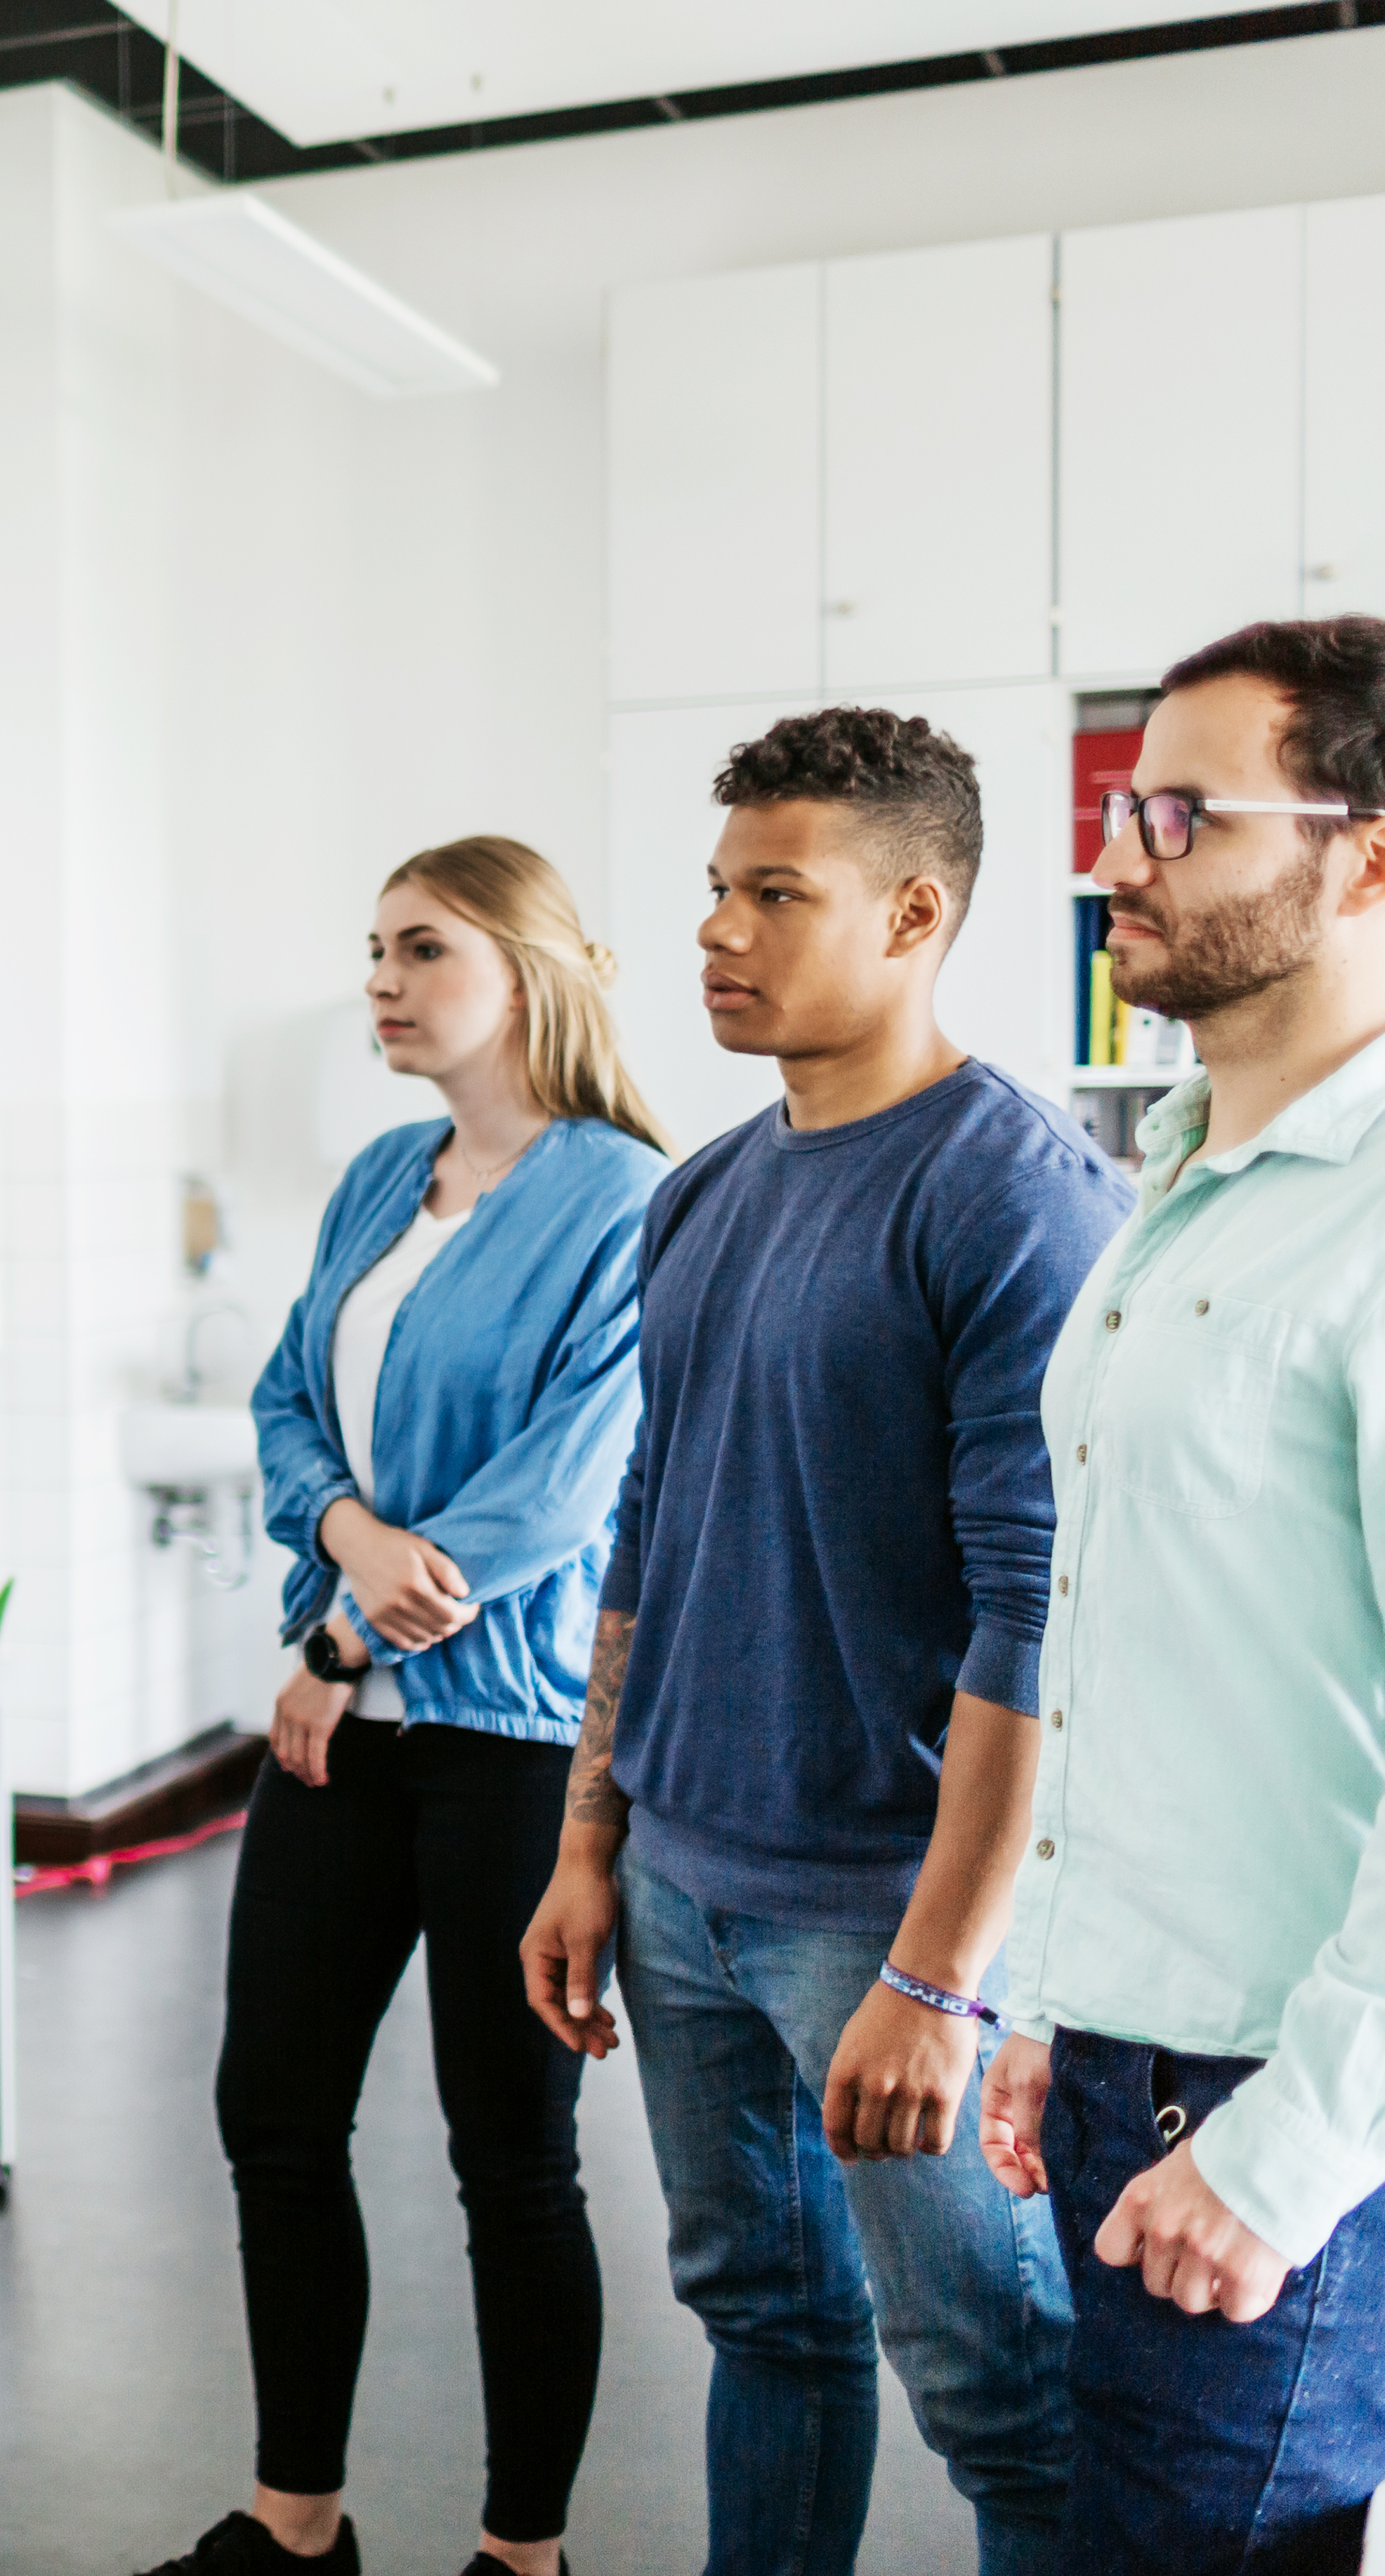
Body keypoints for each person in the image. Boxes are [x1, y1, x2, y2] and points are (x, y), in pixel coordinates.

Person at [518, 707, 1129, 2576]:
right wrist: (586, 1839)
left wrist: (941, 1975)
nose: (716, 931)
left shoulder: (1011, 1190)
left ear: (913, 910)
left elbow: (1040, 1610)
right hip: (684, 1883)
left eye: (773, 893)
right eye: (715, 889)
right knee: (763, 2328)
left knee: (998, 2380)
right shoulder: (701, 1190)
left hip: (883, 1900)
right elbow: (646, 1527)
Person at [150, 841, 667, 2576]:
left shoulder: (620, 1198)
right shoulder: (380, 1175)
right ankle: (293, 2521)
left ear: (517, 970)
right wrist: (343, 1537)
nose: (377, 978)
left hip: (507, 1742)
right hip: (341, 1726)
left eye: (417, 948)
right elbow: (289, 1394)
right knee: (271, 2112)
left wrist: (344, 1634)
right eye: (368, 947)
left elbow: (555, 1495)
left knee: (508, 2157)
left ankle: (521, 2555)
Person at [978, 617, 1385, 2572]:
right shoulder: (1179, 1171)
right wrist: (1069, 1988)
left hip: (1284, 2098)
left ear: (1365, 854)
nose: (1112, 856)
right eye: (1118, 808)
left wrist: (1285, 2151)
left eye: (1175, 814)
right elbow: (1156, 1635)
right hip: (1144, 2048)